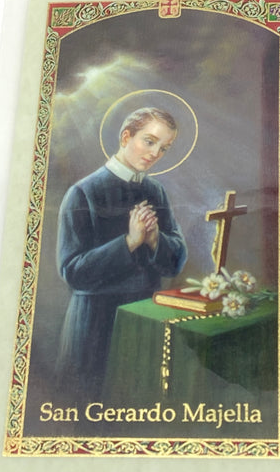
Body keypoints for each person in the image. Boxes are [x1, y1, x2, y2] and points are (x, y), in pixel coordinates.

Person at [55, 107, 187, 397]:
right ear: (126, 137)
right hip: (95, 325)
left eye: (163, 148)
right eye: (149, 141)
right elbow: (73, 272)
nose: (155, 153)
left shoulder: (155, 191)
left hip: (144, 318)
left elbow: (175, 262)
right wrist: (129, 242)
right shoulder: (83, 193)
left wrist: (155, 240)